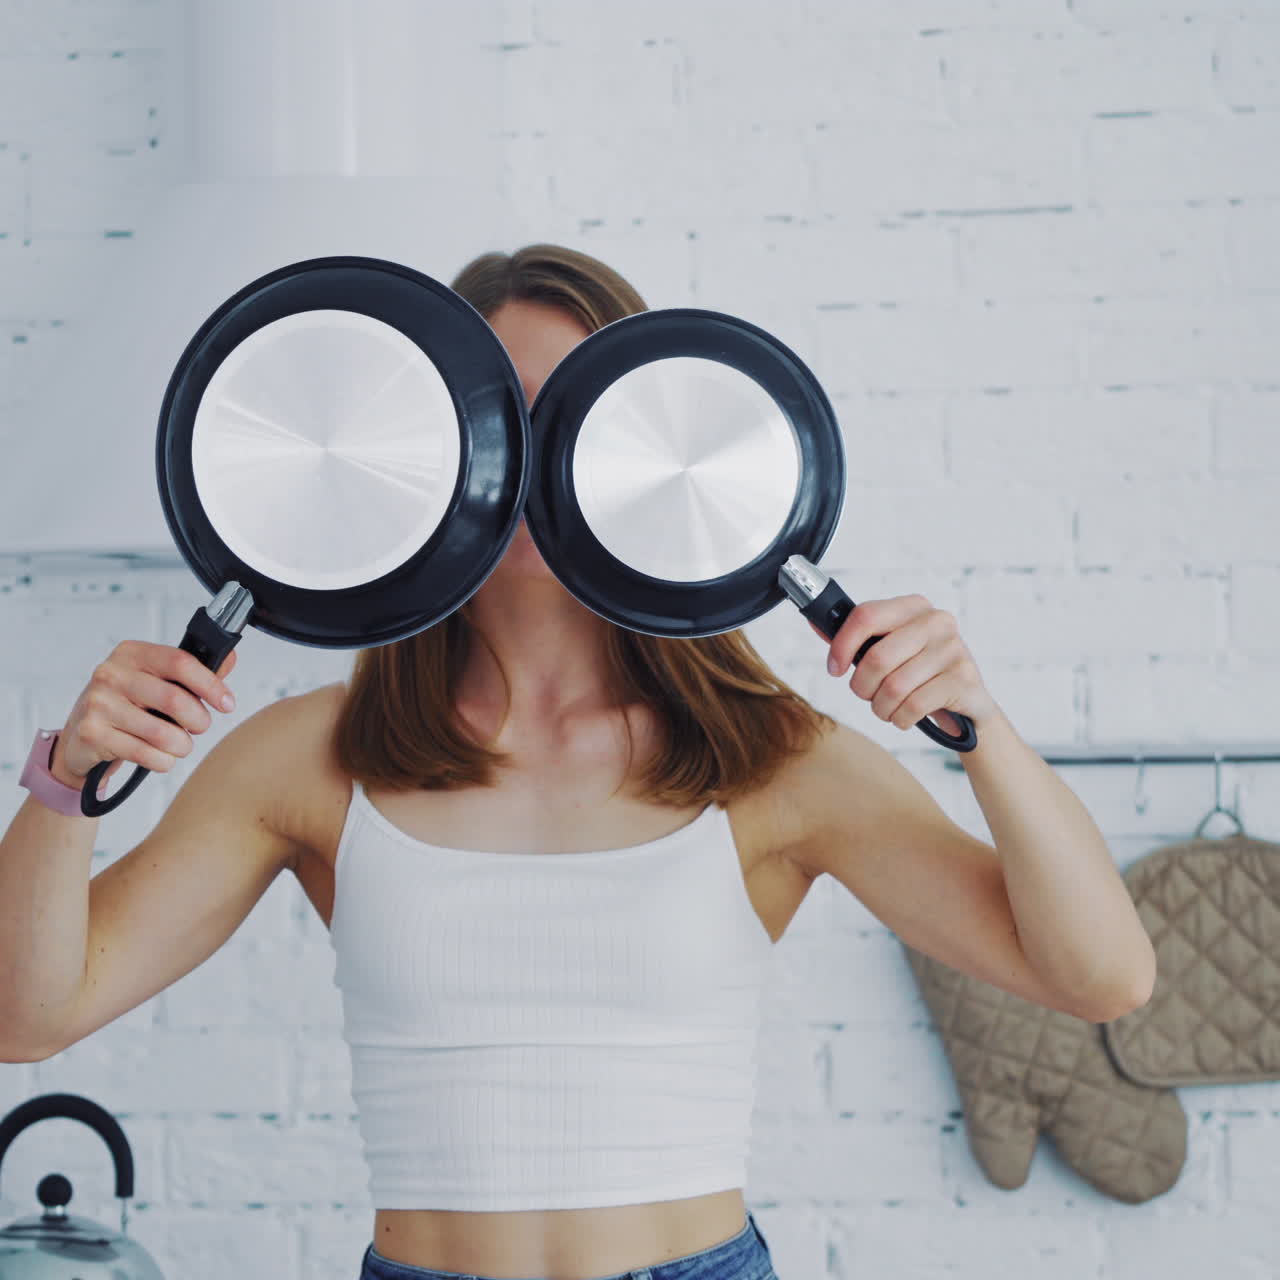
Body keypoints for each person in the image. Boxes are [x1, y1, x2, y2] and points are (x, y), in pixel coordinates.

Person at [0, 244, 1158, 1280]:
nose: (531, 458)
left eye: (570, 416)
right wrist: (67, 780)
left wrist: (984, 727)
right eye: (493, 417)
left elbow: (1099, 977)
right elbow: (29, 1016)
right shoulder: (310, 757)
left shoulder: (769, 761)